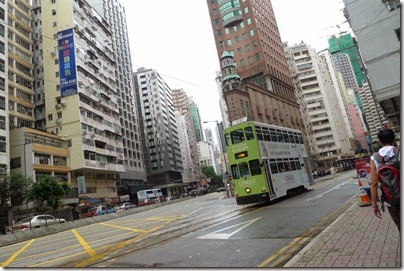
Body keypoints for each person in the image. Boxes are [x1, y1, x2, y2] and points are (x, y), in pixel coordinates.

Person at [370, 128, 400, 231]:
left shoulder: (375, 158)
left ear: (380, 142)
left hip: (390, 199)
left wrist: (374, 205)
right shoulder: (399, 152)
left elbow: (374, 183)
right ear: (394, 139)